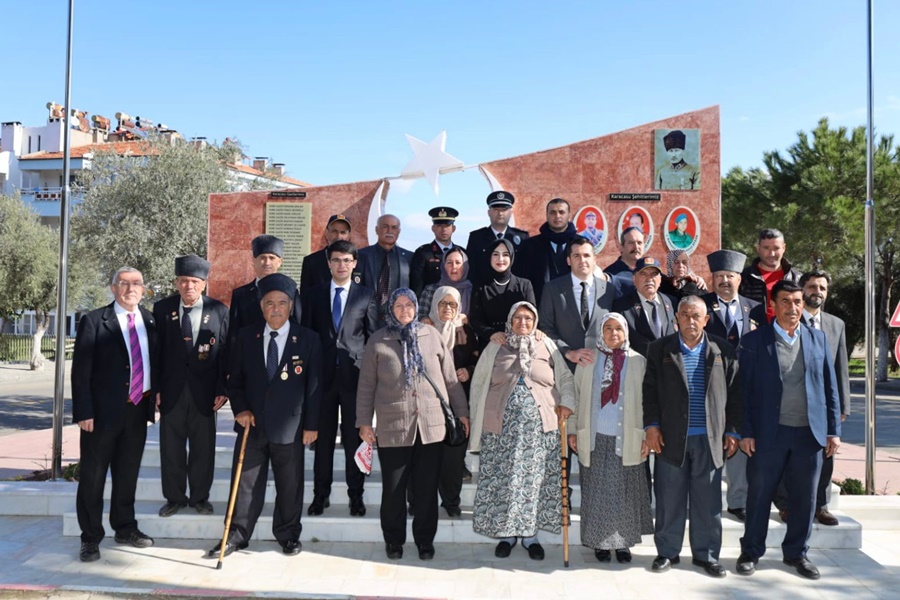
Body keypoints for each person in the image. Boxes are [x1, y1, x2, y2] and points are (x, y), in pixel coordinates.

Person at [207, 273, 321, 558]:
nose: (276, 308)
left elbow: (314, 387)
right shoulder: (246, 337)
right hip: (252, 426)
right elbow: (235, 382)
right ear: (261, 306)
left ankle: (288, 534)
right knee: (244, 485)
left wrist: (311, 425)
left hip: (290, 427)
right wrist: (241, 409)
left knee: (290, 485)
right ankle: (236, 535)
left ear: (291, 306)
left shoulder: (308, 339)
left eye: (282, 303)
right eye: (270, 303)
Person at [736, 280, 841, 580]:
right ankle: (751, 551)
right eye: (785, 301)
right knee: (759, 494)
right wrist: (746, 431)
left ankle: (797, 553)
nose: (792, 307)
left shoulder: (818, 338)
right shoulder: (755, 341)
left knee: (805, 498)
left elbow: (829, 387)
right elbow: (743, 391)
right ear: (773, 305)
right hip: (769, 433)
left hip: (809, 434)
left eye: (797, 301)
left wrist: (832, 430)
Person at [357, 288, 469, 561]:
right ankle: (394, 540)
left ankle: (424, 541)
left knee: (426, 489)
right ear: (390, 310)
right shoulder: (378, 340)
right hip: (393, 427)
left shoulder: (431, 336)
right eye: (398, 305)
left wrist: (462, 412)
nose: (404, 310)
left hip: (431, 427)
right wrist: (364, 422)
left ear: (417, 307)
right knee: (393, 489)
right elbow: (366, 385)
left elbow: (450, 379)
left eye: (409, 304)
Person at [643, 295, 742, 578]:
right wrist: (651, 426)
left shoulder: (723, 350)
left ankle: (707, 555)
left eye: (696, 315)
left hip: (709, 439)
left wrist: (732, 431)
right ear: (676, 318)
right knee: (668, 499)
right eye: (684, 315)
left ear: (706, 319)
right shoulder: (659, 349)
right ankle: (667, 552)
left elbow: (736, 394)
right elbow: (649, 391)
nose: (690, 320)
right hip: (671, 437)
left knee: (707, 502)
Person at [469, 302, 574, 561]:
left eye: (528, 318)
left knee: (534, 483)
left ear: (535, 321)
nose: (523, 322)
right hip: (500, 431)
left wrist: (567, 403)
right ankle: (506, 535)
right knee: (505, 482)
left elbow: (565, 379)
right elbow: (479, 382)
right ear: (510, 320)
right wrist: (475, 418)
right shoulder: (497, 345)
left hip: (540, 432)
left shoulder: (546, 344)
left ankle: (530, 537)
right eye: (517, 318)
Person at [72, 267, 158, 562]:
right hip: (101, 415)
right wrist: (84, 411)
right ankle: (90, 537)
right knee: (93, 477)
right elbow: (80, 372)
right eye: (124, 283)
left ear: (143, 289)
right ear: (113, 288)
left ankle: (125, 527)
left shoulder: (150, 320)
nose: (130, 288)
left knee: (127, 474)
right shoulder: (95, 320)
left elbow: (155, 363)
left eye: (136, 283)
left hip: (137, 410)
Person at [301, 240, 379, 517]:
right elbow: (307, 335)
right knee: (321, 440)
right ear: (328, 263)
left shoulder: (366, 295)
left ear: (355, 263)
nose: (342, 265)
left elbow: (372, 338)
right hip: (321, 379)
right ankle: (320, 495)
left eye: (347, 260)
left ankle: (355, 495)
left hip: (354, 378)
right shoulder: (313, 295)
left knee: (353, 438)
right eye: (336, 260)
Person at [568, 313, 653, 564]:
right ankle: (600, 543)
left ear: (625, 332)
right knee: (596, 493)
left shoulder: (637, 361)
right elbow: (575, 395)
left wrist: (646, 436)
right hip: (595, 436)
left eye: (618, 329)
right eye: (608, 328)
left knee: (625, 494)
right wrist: (572, 430)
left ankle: (623, 543)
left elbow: (647, 402)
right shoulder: (588, 360)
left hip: (627, 438)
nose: (613, 333)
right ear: (600, 332)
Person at [772, 270, 851, 527]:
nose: (817, 292)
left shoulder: (836, 325)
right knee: (787, 459)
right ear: (802, 290)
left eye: (822, 288)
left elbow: (840, 369)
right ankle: (786, 505)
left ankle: (821, 505)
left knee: (825, 458)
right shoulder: (788, 320)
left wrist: (842, 407)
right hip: (790, 406)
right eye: (812, 287)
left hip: (822, 407)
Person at [153, 255, 228, 518]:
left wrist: (222, 389)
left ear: (204, 284)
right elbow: (155, 353)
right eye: (184, 281)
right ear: (176, 283)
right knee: (171, 448)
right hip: (171, 391)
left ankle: (200, 498)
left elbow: (225, 353)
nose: (189, 286)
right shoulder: (162, 309)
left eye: (195, 281)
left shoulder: (218, 310)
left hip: (205, 393)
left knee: (203, 448)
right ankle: (174, 498)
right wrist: (156, 388)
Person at [702, 249, 760, 523]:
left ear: (739, 278)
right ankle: (705, 499)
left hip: (744, 386)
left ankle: (738, 500)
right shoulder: (701, 305)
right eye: (719, 276)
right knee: (709, 443)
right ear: (712, 279)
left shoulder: (754, 308)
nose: (725, 280)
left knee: (739, 439)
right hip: (708, 384)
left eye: (730, 276)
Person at [428, 286, 480, 518]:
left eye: (452, 304)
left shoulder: (466, 331)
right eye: (443, 303)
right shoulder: (425, 330)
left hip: (458, 400)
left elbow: (478, 359)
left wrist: (468, 370)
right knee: (428, 456)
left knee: (454, 455)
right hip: (430, 400)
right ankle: (420, 501)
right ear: (435, 305)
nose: (448, 308)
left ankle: (451, 501)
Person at [539, 235, 617, 371]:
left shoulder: (608, 290)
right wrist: (568, 352)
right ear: (568, 260)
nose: (582, 260)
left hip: (601, 368)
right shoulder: (552, 289)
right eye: (576, 256)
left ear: (594, 259)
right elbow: (545, 327)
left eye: (587, 255)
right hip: (565, 367)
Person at [229, 234, 301, 345]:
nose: (267, 263)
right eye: (262, 258)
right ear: (254, 261)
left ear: (280, 262)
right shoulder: (241, 295)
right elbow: (234, 334)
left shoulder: (291, 293)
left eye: (272, 258)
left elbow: (298, 326)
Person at [469, 238, 536, 349]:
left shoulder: (524, 285)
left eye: (505, 255)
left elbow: (532, 316)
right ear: (489, 257)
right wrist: (490, 333)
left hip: (520, 344)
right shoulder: (480, 286)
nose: (500, 259)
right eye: (495, 254)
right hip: (490, 344)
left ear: (511, 257)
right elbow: (475, 319)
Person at [514, 197, 579, 302]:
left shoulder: (581, 244)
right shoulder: (529, 246)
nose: (557, 216)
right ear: (547, 215)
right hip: (540, 304)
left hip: (574, 304)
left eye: (561, 212)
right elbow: (521, 280)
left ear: (569, 215)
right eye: (553, 212)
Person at [612, 257, 677, 357]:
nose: (649, 279)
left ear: (660, 279)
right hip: (638, 364)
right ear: (634, 279)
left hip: (668, 363)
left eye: (654, 274)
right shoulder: (622, 306)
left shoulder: (670, 301)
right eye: (643, 274)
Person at [465, 191, 529, 285]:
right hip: (484, 290)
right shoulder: (476, 237)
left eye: (504, 209)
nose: (500, 213)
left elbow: (527, 270)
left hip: (514, 290)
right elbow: (471, 270)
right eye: (496, 209)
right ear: (489, 212)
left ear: (511, 213)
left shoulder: (522, 238)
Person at [739, 228, 802, 323]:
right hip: (755, 331)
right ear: (758, 248)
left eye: (776, 248)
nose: (772, 254)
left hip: (789, 330)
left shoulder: (797, 278)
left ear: (784, 248)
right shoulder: (743, 278)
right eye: (766, 248)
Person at [358, 214, 413, 320]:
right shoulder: (361, 255)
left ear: (399, 231)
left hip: (399, 320)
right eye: (385, 226)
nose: (389, 231)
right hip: (367, 319)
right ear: (376, 230)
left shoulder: (409, 258)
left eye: (394, 227)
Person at [410, 206, 461, 296]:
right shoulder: (423, 253)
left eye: (447, 225)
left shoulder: (462, 253)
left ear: (453, 228)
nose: (443, 229)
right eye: (439, 226)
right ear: (433, 228)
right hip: (430, 301)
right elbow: (417, 285)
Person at [299, 214, 353, 297]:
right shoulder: (311, 261)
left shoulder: (359, 261)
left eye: (343, 232)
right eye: (334, 231)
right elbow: (305, 296)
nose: (339, 236)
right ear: (326, 233)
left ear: (349, 236)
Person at [417, 247, 473, 322]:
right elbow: (420, 315)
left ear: (465, 266)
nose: (454, 267)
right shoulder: (430, 290)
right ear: (443, 266)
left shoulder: (474, 292)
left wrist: (468, 320)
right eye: (449, 263)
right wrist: (424, 319)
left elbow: (480, 320)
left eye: (458, 263)